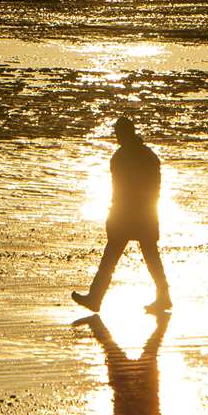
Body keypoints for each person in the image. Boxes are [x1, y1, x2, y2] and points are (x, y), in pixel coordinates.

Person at [73, 116, 172, 313]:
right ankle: (163, 297)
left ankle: (95, 298)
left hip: (127, 215)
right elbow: (155, 190)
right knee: (150, 257)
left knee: (111, 258)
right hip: (146, 214)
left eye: (118, 134)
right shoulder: (149, 156)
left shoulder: (120, 158)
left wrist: (114, 214)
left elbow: (118, 191)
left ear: (125, 134)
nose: (117, 138)